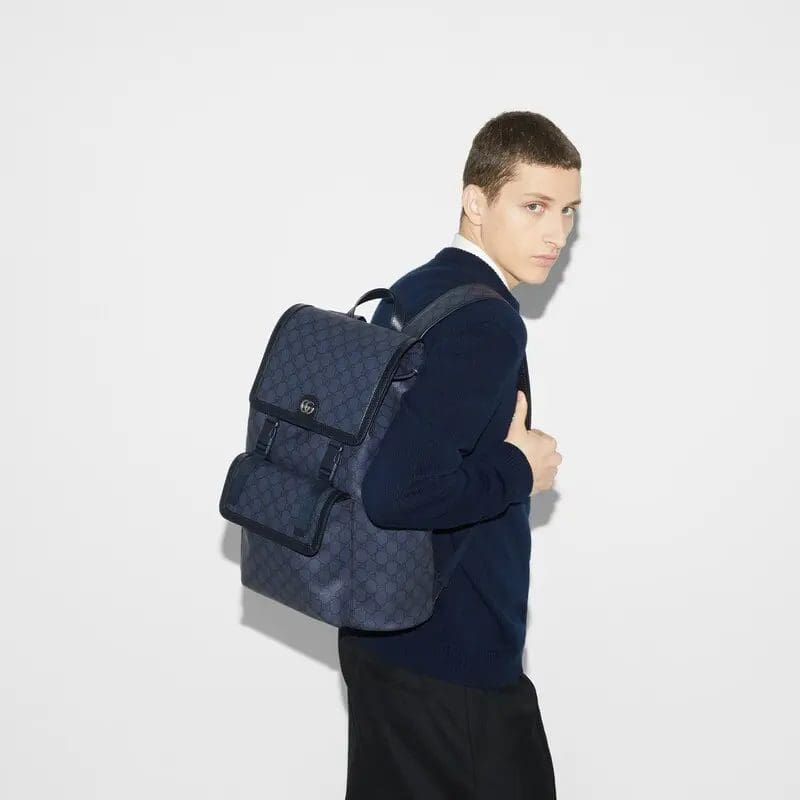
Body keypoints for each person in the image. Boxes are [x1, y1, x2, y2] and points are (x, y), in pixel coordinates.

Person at [338, 110, 580, 799]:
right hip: (454, 665)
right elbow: (396, 490)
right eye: (534, 206)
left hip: (382, 635)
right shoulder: (485, 321)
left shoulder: (415, 290)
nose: (556, 233)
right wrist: (519, 469)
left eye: (568, 211)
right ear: (476, 201)